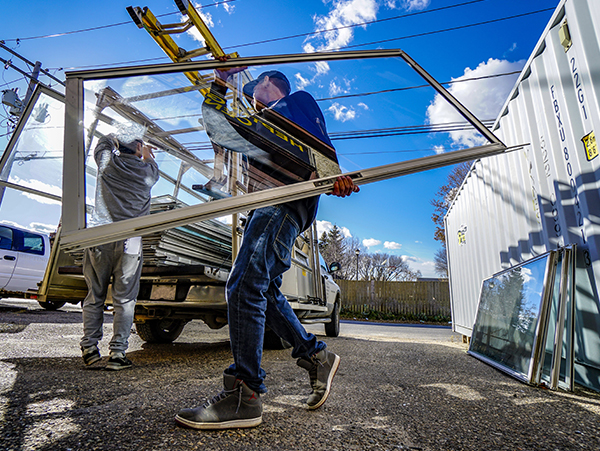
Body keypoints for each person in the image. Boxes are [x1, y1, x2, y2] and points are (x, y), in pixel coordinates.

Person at [175, 69, 359, 429]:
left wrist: (333, 175)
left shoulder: (293, 102)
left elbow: (319, 141)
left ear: (271, 83)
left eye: (255, 86)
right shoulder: (255, 126)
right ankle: (315, 355)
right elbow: (215, 125)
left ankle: (246, 393)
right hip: (265, 207)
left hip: (283, 204)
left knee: (243, 285)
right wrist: (218, 84)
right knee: (265, 291)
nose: (251, 94)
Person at [80, 135, 159, 371]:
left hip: (101, 237)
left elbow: (103, 143)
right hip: (130, 241)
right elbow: (151, 163)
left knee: (95, 295)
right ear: (137, 147)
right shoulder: (148, 172)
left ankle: (90, 350)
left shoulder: (107, 163)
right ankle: (117, 354)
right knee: (124, 300)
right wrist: (144, 151)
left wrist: (116, 138)